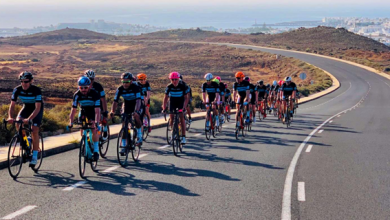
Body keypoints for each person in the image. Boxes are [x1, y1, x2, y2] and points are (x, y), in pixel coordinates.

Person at [8, 71, 44, 167]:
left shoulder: (36, 90)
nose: (24, 84)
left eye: (26, 81)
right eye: (22, 81)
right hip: (26, 107)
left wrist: (29, 119)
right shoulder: (17, 90)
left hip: (36, 109)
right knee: (18, 123)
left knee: (34, 129)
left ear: (31, 81)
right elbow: (12, 105)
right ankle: (26, 143)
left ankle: (35, 156)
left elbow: (37, 108)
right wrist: (10, 117)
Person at [68, 76, 101, 161]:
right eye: (81, 88)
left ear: (89, 86)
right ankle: (85, 142)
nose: (83, 90)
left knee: (93, 128)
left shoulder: (95, 94)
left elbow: (97, 111)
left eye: (85, 87)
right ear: (78, 87)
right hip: (83, 111)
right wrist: (70, 122)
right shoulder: (76, 95)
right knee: (82, 127)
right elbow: (73, 109)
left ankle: (96, 150)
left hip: (93, 111)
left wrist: (97, 122)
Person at [110, 72, 143, 151]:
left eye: (127, 82)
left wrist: (137, 111)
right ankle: (124, 145)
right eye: (123, 82)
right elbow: (115, 101)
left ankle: (139, 135)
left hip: (136, 103)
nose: (125, 84)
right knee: (124, 125)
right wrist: (112, 111)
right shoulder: (120, 89)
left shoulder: (135, 87)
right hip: (127, 104)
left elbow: (138, 100)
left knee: (136, 116)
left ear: (131, 81)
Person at [162, 72, 189, 144]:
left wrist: (184, 107)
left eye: (176, 79)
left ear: (178, 79)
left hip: (181, 102)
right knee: (171, 117)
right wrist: (164, 108)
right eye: (172, 79)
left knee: (181, 116)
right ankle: (173, 131)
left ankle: (183, 137)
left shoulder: (183, 85)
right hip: (172, 102)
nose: (174, 81)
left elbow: (186, 98)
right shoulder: (169, 86)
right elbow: (165, 98)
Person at [84, 69, 109, 140]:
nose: (90, 81)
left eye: (91, 79)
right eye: (88, 79)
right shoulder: (83, 86)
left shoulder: (98, 86)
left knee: (101, 118)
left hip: (98, 104)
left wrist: (105, 111)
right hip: (88, 105)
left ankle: (104, 128)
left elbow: (103, 99)